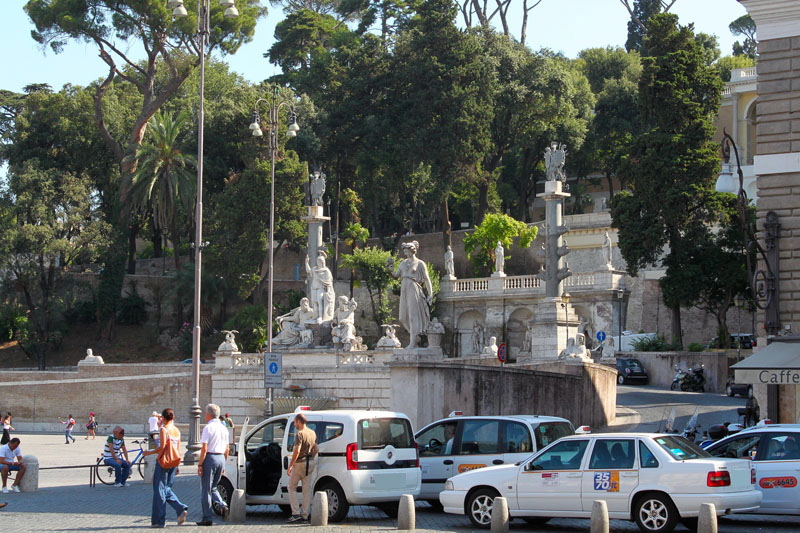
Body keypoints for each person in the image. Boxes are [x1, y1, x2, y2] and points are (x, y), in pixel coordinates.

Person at [143, 408, 189, 528]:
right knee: (166, 489)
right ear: (173, 417)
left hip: (163, 462)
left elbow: (162, 447)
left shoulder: (164, 430)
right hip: (173, 462)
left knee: (159, 490)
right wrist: (177, 464)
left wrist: (149, 452)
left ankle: (159, 520)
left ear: (163, 418)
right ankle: (179, 509)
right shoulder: (176, 431)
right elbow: (178, 448)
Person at [388, 241, 433, 349]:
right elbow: (396, 275)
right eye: (404, 251)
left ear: (412, 250)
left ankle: (413, 342)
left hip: (414, 288)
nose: (405, 253)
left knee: (413, 317)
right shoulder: (403, 263)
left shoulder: (420, 263)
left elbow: (427, 279)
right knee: (402, 317)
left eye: (407, 251)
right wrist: (390, 271)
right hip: (404, 288)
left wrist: (430, 293)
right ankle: (415, 335)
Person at [197, 403, 229, 526]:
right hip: (221, 458)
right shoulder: (223, 428)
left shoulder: (208, 428)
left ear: (208, 415)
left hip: (210, 457)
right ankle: (223, 505)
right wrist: (224, 464)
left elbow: (204, 448)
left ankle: (207, 517)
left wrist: (200, 464)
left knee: (206, 490)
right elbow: (227, 449)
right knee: (214, 487)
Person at [286, 412, 318, 523]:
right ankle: (305, 514)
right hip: (310, 463)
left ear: (299, 422)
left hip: (300, 463)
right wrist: (311, 457)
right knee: (306, 490)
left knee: (291, 487)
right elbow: (316, 449)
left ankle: (295, 513)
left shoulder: (300, 434)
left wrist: (290, 466)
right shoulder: (312, 433)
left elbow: (297, 450)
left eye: (295, 422)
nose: (294, 424)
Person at [305, 251, 335, 322]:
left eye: (320, 261)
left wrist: (327, 290)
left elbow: (329, 282)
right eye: (317, 261)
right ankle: (315, 316)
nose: (318, 263)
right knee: (314, 303)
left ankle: (320, 317)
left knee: (319, 301)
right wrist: (306, 263)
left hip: (321, 288)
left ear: (323, 262)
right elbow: (309, 271)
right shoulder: (315, 269)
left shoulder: (326, 271)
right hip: (314, 288)